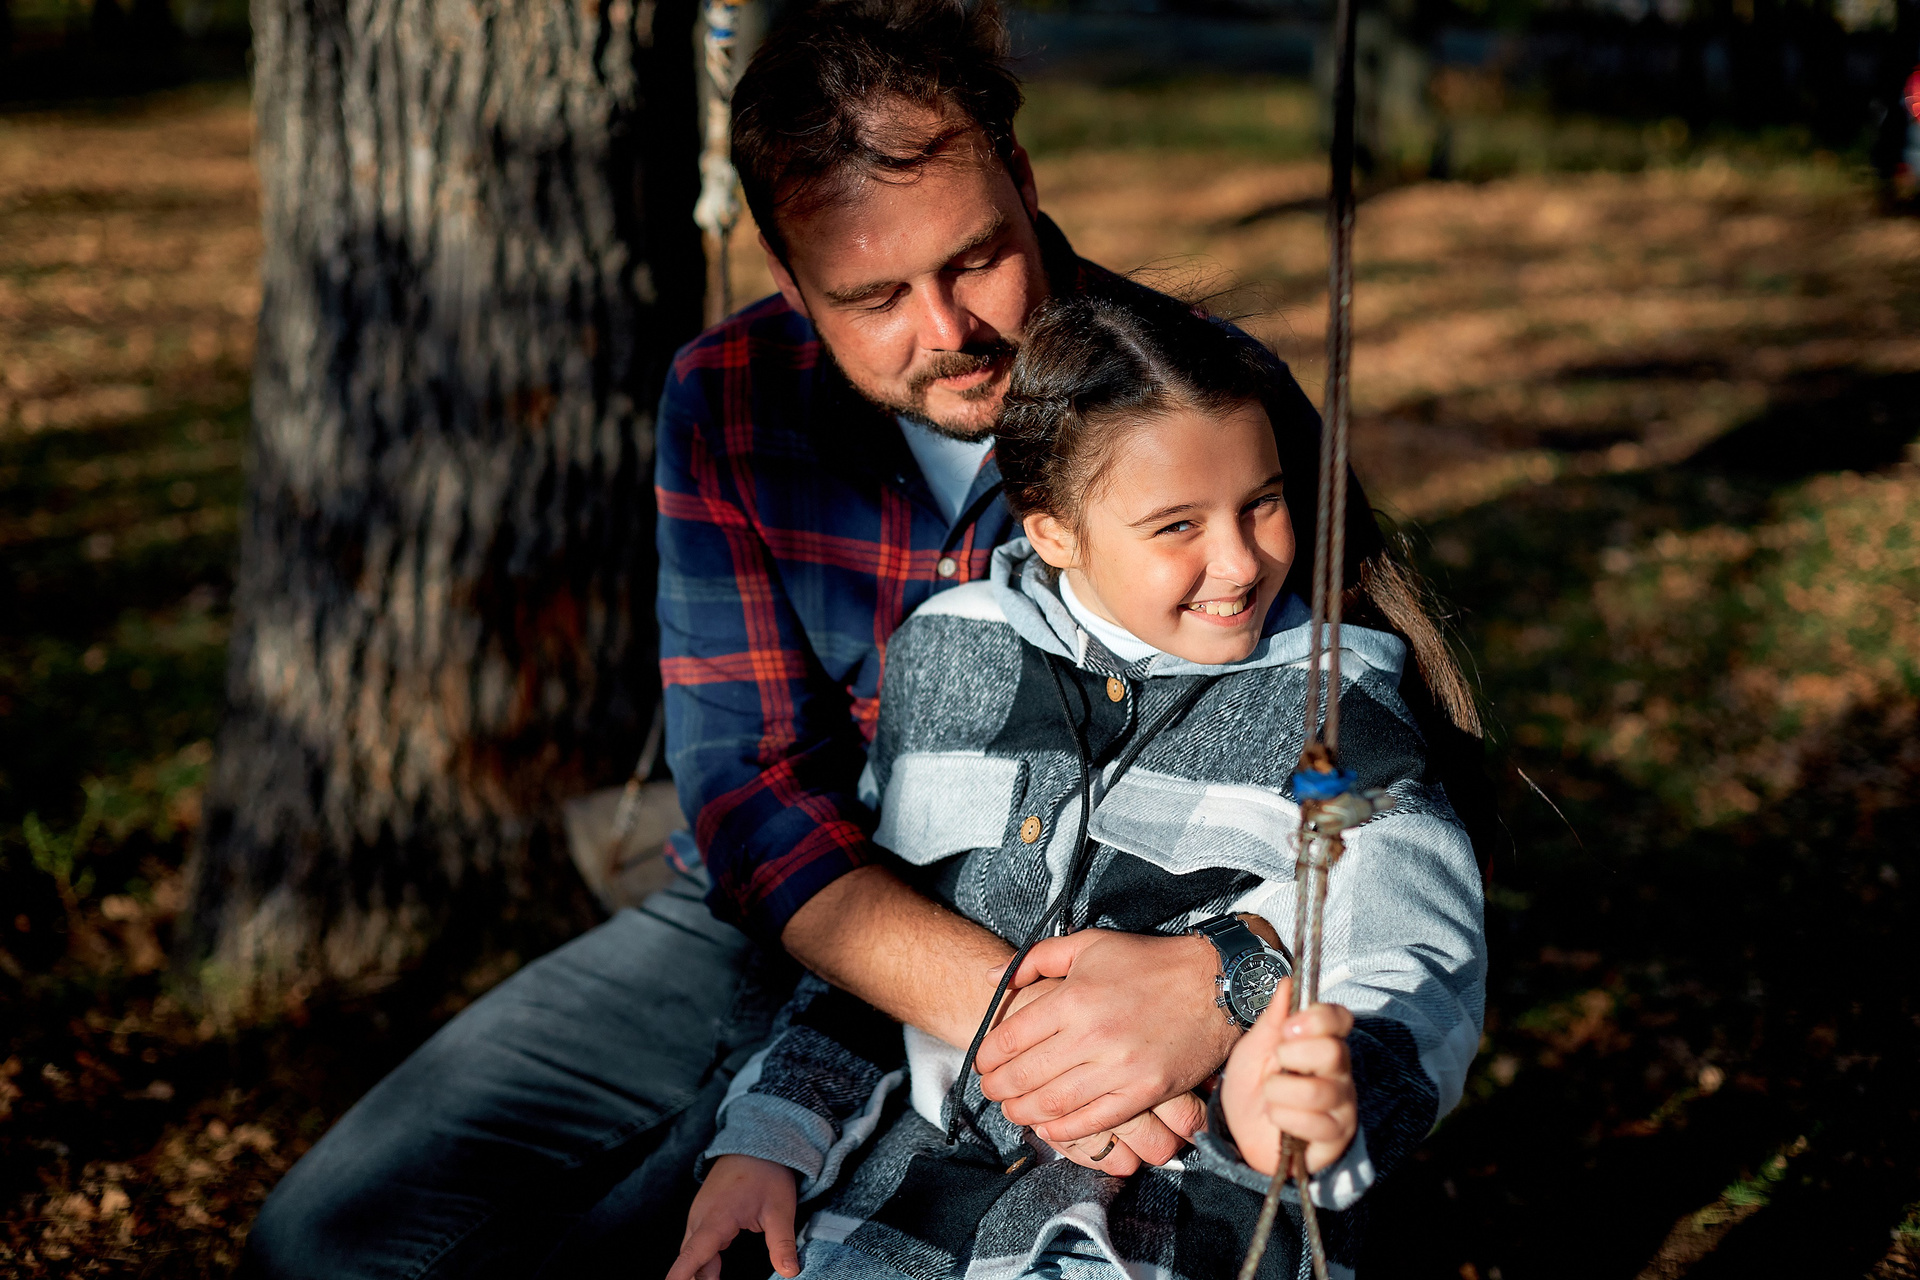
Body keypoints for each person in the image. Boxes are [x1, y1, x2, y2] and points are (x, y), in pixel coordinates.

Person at [241, 4, 1491, 1276]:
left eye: (976, 258)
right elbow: (751, 789)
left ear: (1024, 182)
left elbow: (1372, 774)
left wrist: (1233, 968)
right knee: (321, 1241)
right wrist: (1020, 1024)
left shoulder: (1193, 396)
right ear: (790, 280)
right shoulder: (727, 398)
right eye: (875, 296)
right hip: (793, 927)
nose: (948, 330)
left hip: (1135, 938)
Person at [665, 288, 1486, 1280]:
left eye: (1262, 502)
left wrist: (1314, 1102)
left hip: (1184, 1228)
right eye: (1176, 524)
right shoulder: (948, 654)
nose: (1238, 561)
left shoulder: (1335, 710)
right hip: (904, 1212)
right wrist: (767, 1137)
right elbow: (868, 965)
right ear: (1052, 531)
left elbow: (1408, 945)